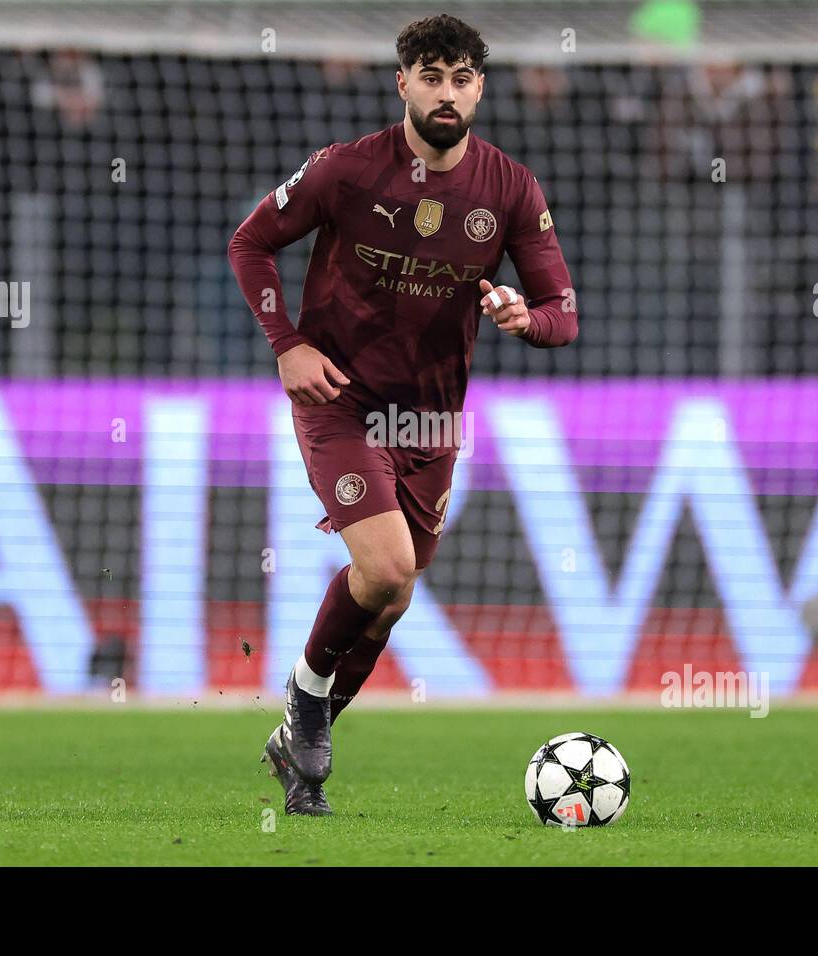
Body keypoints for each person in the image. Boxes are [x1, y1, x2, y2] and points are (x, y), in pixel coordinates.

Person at [227, 14, 578, 815]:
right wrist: (286, 344)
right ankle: (308, 708)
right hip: (339, 400)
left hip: (430, 423)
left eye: (461, 79)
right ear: (404, 85)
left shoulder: (510, 188)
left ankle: (298, 734)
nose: (446, 93)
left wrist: (527, 319)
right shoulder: (346, 171)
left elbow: (564, 310)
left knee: (393, 592)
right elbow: (251, 244)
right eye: (431, 77)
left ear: (479, 89)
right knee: (384, 568)